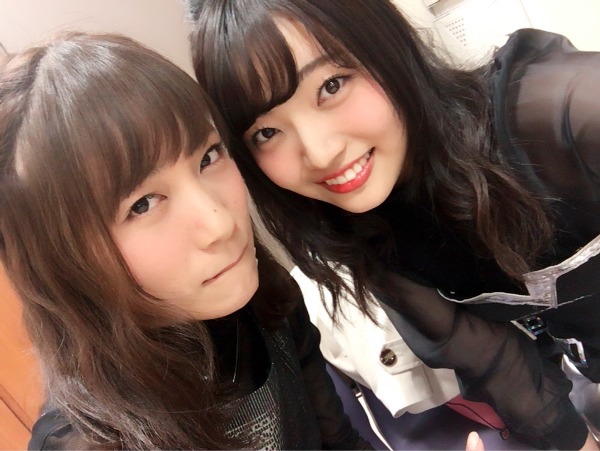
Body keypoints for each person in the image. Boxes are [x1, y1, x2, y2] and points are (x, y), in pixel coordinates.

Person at [186, 1, 600, 449]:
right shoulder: (367, 230)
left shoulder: (567, 114)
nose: (321, 153)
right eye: (266, 133)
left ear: (385, 46)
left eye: (331, 86)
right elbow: (493, 359)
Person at [0, 31, 373, 450]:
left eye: (208, 157)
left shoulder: (269, 299)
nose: (220, 224)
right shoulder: (89, 443)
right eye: (142, 204)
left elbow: (340, 442)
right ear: (62, 266)